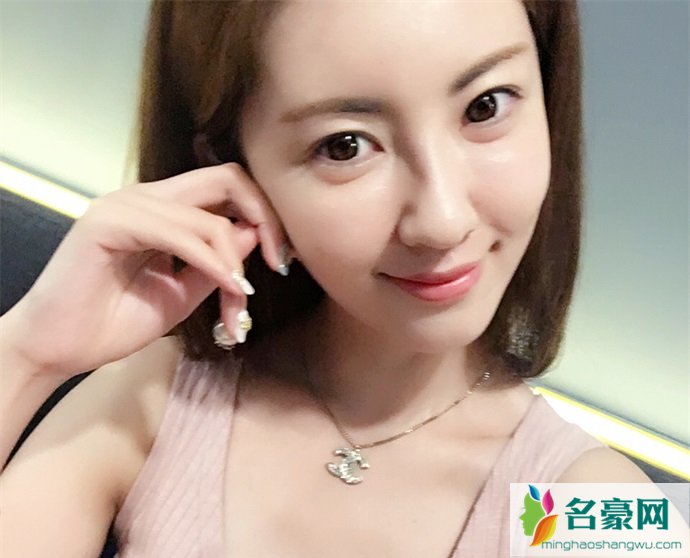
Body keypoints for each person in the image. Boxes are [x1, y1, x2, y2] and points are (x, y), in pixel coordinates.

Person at [0, 1, 653, 556]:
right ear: (235, 165)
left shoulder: (599, 508)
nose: (442, 220)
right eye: (344, 145)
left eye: (485, 107)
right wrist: (28, 352)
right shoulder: (156, 397)